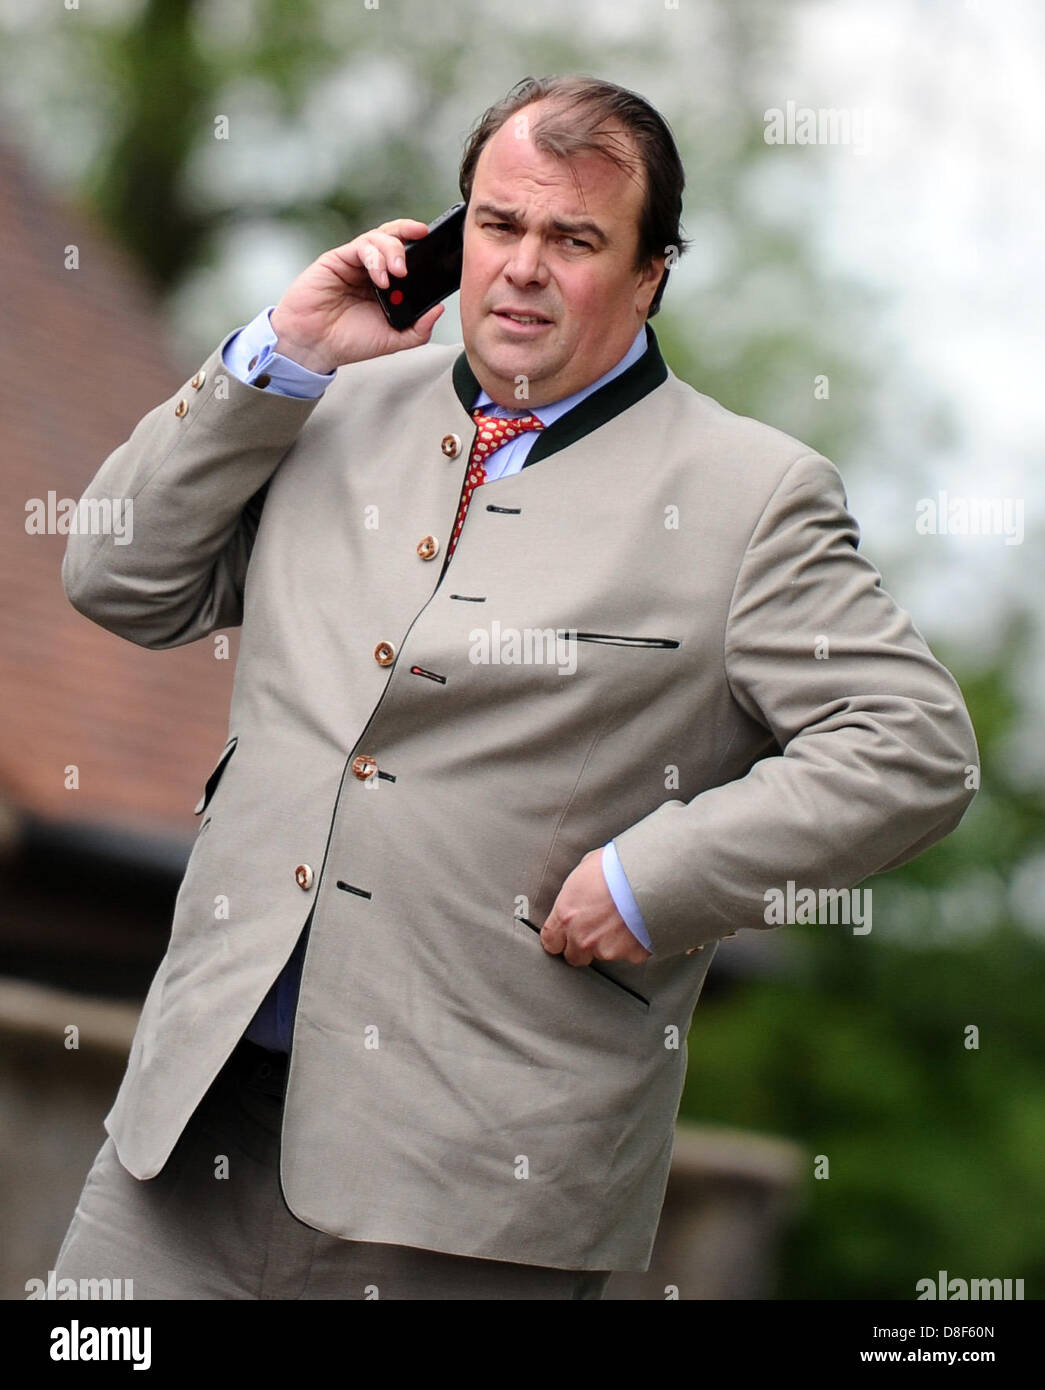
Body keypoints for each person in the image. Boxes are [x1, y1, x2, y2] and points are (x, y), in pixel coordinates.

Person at [53, 74, 978, 1300]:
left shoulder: (752, 497)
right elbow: (118, 573)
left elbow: (914, 746)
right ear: (450, 236)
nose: (523, 267)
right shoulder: (322, 401)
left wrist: (658, 880)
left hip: (475, 1194)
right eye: (498, 225)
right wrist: (278, 355)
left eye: (575, 238)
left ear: (651, 273)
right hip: (183, 1141)